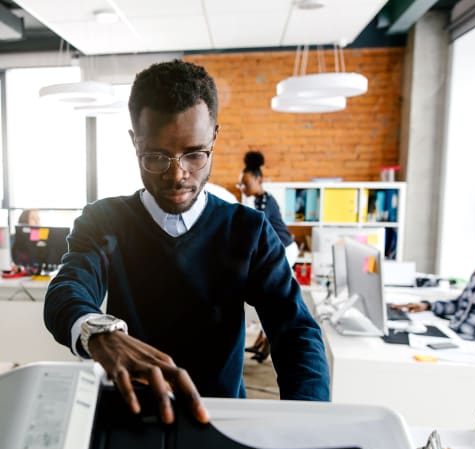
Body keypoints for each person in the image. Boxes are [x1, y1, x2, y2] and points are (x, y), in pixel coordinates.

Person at [44, 60, 330, 426]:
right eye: (156, 157)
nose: (178, 175)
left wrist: (310, 424)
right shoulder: (103, 220)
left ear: (214, 137)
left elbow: (295, 332)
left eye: (195, 155)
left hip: (223, 419)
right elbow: (67, 289)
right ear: (135, 142)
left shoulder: (248, 229)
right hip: (133, 419)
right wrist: (98, 333)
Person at [392, 212, 475, 376]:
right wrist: (427, 305)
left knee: (415, 369)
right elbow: (460, 304)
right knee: (400, 347)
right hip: (455, 339)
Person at [238, 151, 300, 361]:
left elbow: (259, 230)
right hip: (281, 247)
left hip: (286, 249)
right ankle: (263, 342)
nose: (244, 189)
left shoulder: (264, 201)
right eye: (242, 185)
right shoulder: (260, 200)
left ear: (258, 180)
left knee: (274, 292)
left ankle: (267, 342)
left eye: (246, 184)